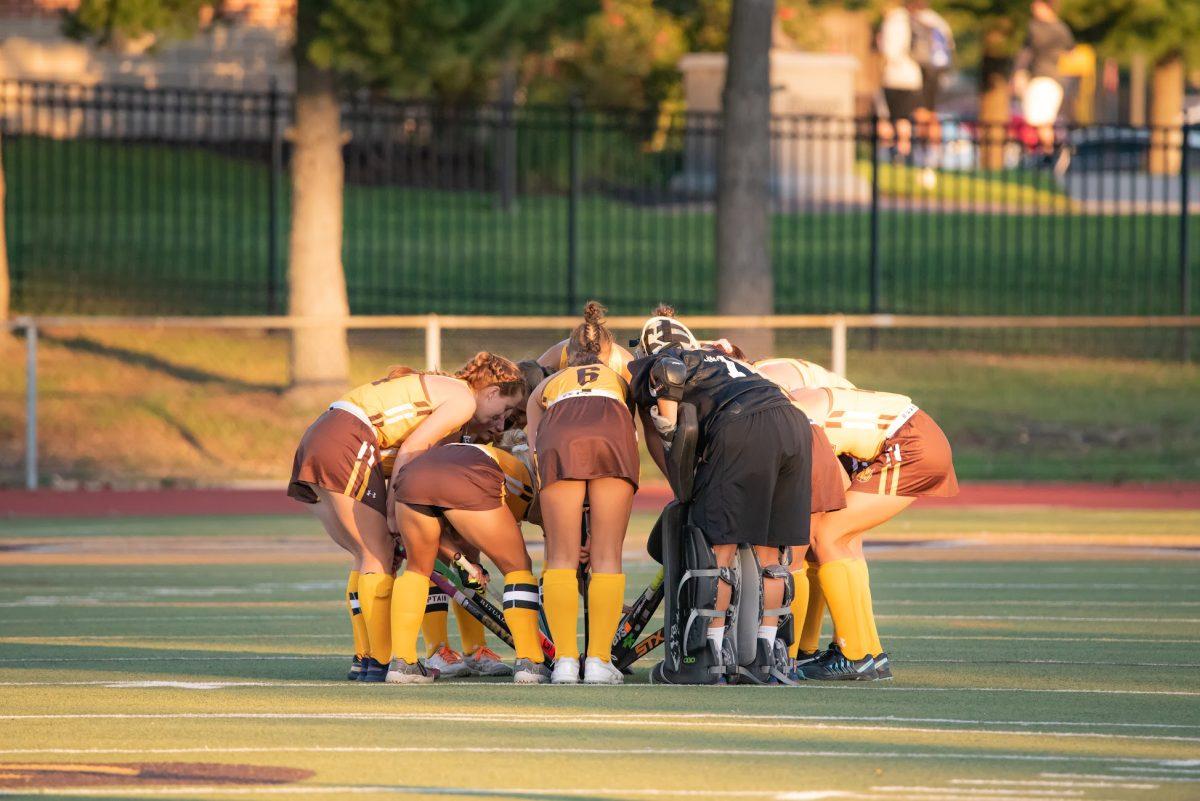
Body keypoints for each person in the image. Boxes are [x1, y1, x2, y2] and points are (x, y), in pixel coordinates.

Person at [286, 353, 527, 682]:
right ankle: (388, 663)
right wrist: (392, 514)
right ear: (491, 392)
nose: (500, 424)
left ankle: (366, 660)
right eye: (503, 412)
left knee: (366, 556)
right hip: (348, 436)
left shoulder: (448, 394)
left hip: (322, 434)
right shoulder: (463, 400)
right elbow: (413, 450)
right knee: (378, 554)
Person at [630, 308, 813, 684]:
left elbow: (668, 372)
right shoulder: (724, 357)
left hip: (741, 423)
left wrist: (668, 433)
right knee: (772, 553)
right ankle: (767, 655)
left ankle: (708, 654)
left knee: (716, 548)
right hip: (793, 424)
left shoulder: (668, 358)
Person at [788, 385, 958, 681]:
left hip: (906, 442)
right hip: (910, 436)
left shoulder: (790, 407)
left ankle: (853, 655)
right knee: (838, 539)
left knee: (824, 536)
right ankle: (867, 652)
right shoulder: (787, 392)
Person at [526, 301, 639, 685]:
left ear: (566, 356)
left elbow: (534, 445)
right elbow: (633, 429)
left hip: (559, 439)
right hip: (612, 436)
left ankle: (565, 662)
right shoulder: (621, 379)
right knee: (607, 556)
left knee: (560, 556)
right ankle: (599, 662)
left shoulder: (546, 384)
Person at [388, 439, 546, 683]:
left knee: (418, 570)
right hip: (466, 477)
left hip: (411, 478)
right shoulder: (524, 479)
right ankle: (530, 661)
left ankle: (403, 663)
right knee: (518, 567)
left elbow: (449, 532)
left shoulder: (467, 452)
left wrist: (464, 561)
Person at [1013, 0, 1074, 166]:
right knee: (1043, 121)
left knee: (1036, 119)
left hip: (1042, 78)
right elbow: (1071, 54)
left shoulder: (1035, 28)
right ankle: (1047, 154)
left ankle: (1048, 153)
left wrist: (1018, 72)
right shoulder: (1063, 29)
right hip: (1056, 80)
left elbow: (1026, 53)